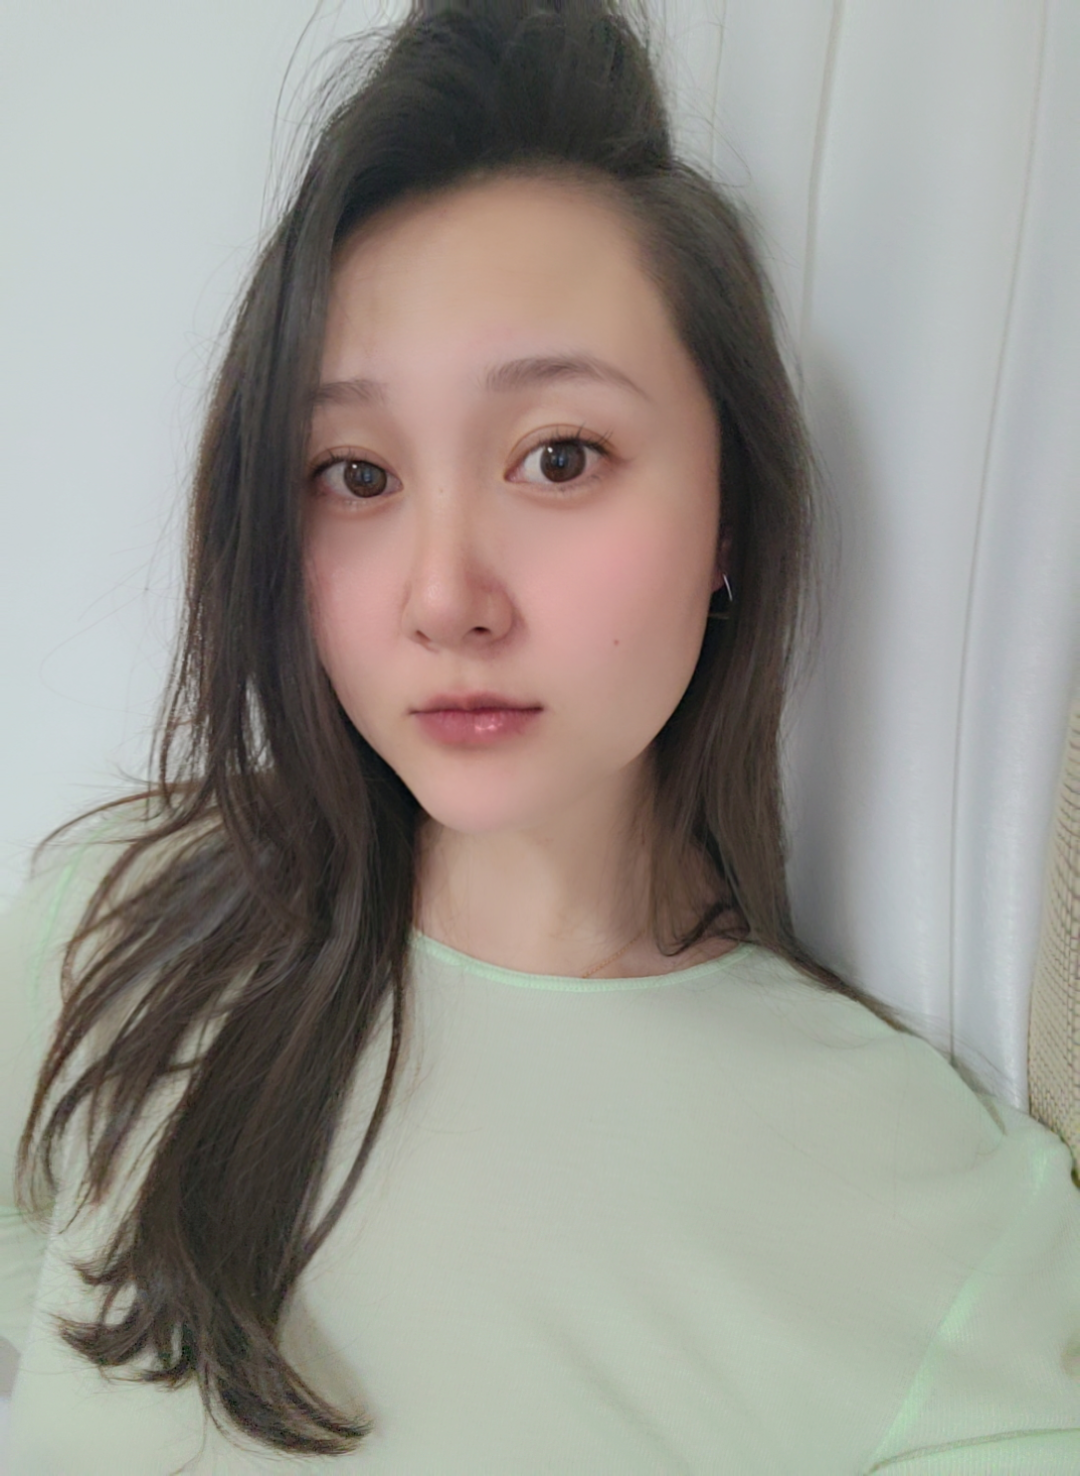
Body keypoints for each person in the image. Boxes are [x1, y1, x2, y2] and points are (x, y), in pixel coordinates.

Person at [2, 1, 1079, 1470]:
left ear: (731, 514)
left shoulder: (941, 1227)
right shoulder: (125, 927)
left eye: (558, 457)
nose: (445, 597)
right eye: (355, 474)